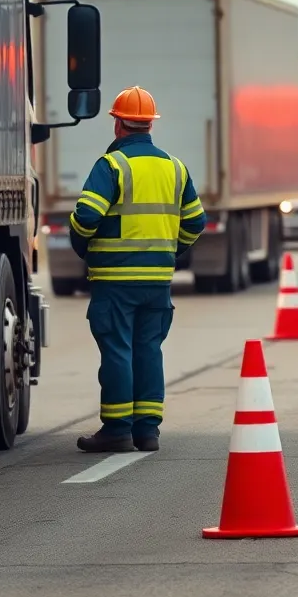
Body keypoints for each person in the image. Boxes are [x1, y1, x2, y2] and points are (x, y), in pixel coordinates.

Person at [69, 86, 207, 454]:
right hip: (158, 281)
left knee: (117, 350)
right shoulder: (174, 168)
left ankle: (116, 429)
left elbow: (86, 216)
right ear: (149, 125)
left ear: (117, 125)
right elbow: (196, 221)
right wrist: (171, 250)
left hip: (115, 281)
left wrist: (82, 246)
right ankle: (147, 431)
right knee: (148, 350)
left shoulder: (112, 165)